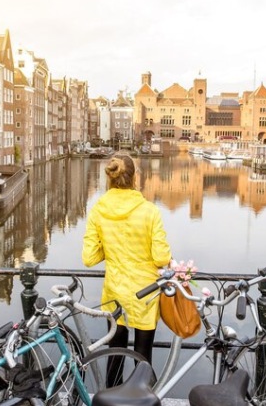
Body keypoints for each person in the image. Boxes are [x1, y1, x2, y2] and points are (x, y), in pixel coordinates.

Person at [82, 152, 171, 369]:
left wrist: (111, 247)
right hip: (146, 293)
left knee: (115, 352)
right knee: (143, 356)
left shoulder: (98, 210)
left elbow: (89, 257)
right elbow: (161, 258)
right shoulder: (150, 211)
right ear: (134, 178)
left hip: (115, 291)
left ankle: (112, 396)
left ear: (110, 178)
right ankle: (142, 398)